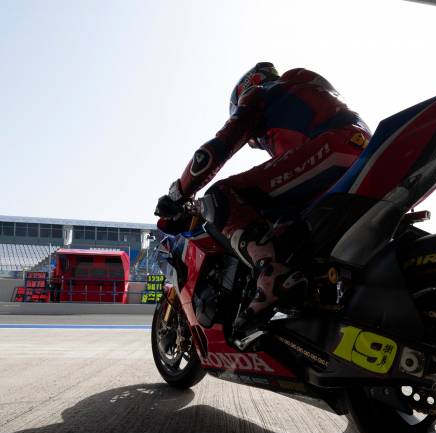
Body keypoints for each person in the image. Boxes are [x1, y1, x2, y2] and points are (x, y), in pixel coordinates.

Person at [155, 63, 370, 332]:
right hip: (363, 155)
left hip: (337, 147)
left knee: (221, 195)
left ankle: (271, 275)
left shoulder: (260, 93)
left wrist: (180, 192)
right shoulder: (308, 94)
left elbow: (214, 151)